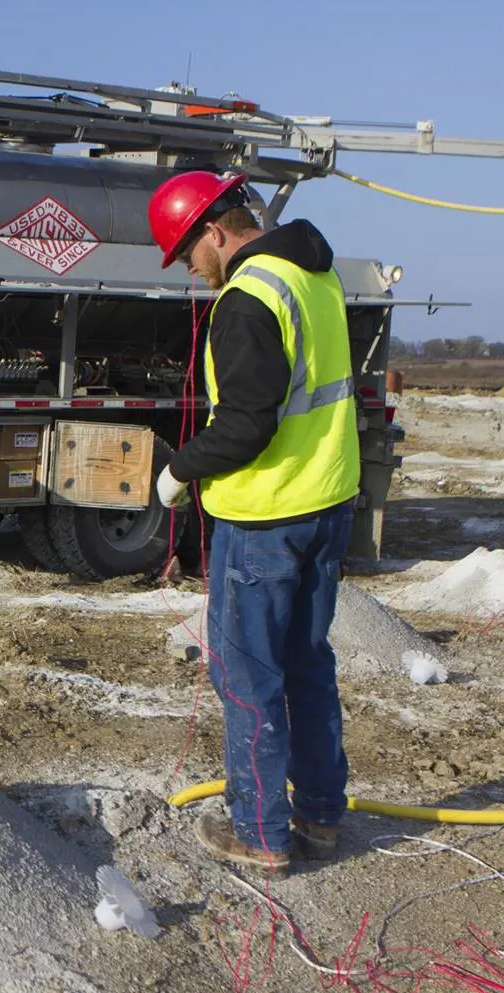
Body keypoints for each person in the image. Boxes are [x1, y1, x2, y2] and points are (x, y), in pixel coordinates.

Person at [148, 170, 360, 878]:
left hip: (267, 514)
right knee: (306, 662)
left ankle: (261, 833)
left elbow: (246, 424)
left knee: (248, 675)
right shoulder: (312, 274)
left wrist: (179, 471)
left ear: (215, 229)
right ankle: (322, 815)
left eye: (187, 253)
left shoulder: (247, 298)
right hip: (327, 502)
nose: (190, 269)